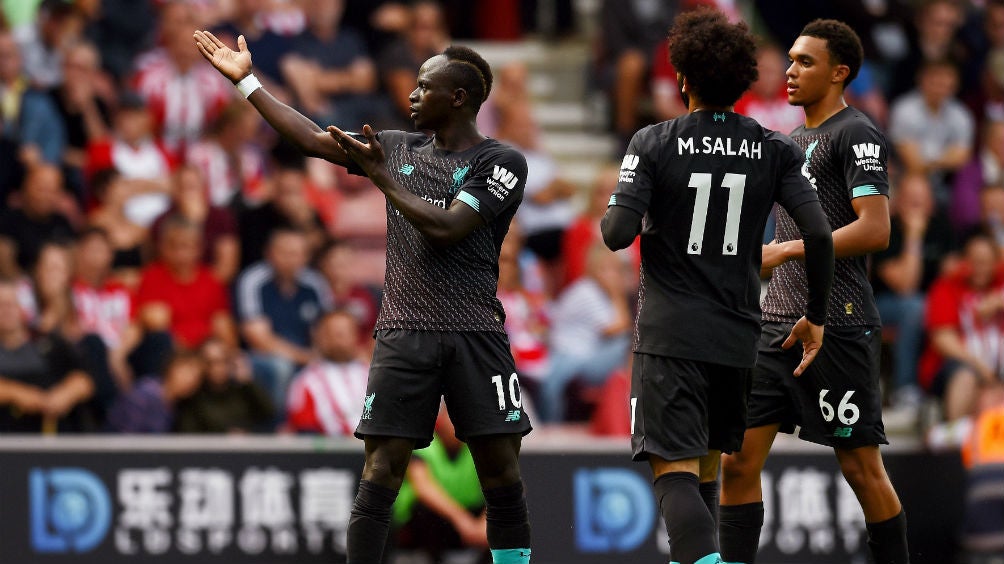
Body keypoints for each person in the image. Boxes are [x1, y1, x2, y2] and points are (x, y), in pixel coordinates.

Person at [194, 29, 533, 564]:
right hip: (403, 334)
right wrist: (248, 83)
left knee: (501, 472)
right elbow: (309, 138)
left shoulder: (503, 162)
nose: (412, 95)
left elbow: (447, 228)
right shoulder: (396, 148)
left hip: (476, 333)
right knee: (380, 470)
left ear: (459, 98)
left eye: (425, 87)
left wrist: (380, 178)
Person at [601, 9, 835, 564]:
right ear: (742, 82)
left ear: (682, 78)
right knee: (705, 469)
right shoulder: (777, 148)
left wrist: (634, 199)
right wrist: (817, 315)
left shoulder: (653, 142)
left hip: (671, 338)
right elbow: (820, 233)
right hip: (736, 340)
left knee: (674, 477)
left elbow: (615, 234)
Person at [719, 19, 909, 564]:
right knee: (738, 461)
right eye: (792, 59)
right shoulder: (789, 141)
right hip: (774, 323)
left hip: (839, 325)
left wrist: (787, 249)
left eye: (805, 61)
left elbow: (876, 229)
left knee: (860, 468)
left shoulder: (857, 133)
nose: (791, 70)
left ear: (839, 72)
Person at [919, 232, 1004, 421]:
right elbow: (943, 340)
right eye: (975, 262)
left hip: (997, 368)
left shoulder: (1000, 282)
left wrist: (998, 302)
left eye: (986, 262)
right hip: (956, 367)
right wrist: (982, 369)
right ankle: (955, 435)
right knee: (966, 375)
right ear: (964, 261)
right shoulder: (946, 286)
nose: (980, 268)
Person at [0, 279, 96, 433]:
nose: (6, 311)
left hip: (52, 433)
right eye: (1, 305)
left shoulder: (49, 343)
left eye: (10, 304)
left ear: (22, 308)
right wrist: (15, 393)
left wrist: (64, 395)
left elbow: (84, 379)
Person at [285, 309, 369, 436]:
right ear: (321, 338)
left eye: (345, 333)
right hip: (333, 452)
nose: (340, 341)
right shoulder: (306, 381)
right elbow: (304, 430)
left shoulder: (373, 374)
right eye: (334, 334)